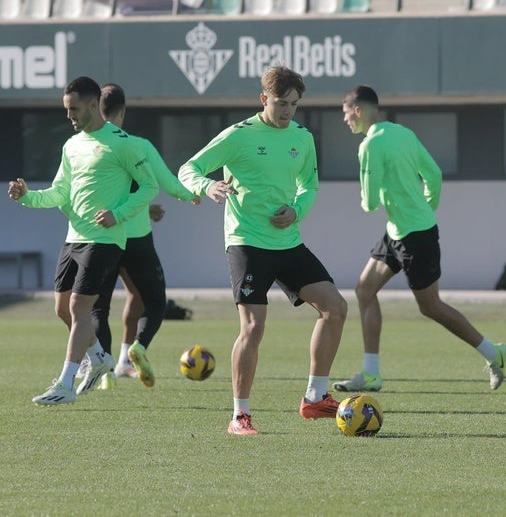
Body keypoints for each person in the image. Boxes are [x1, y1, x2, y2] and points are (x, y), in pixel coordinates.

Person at [178, 66, 347, 436]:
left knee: (335, 308)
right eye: (280, 103)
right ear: (263, 99)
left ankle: (315, 397)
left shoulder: (302, 138)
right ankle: (240, 416)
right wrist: (208, 188)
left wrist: (297, 210)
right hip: (246, 243)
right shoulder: (238, 136)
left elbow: (309, 186)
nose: (288, 111)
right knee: (253, 327)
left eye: (294, 104)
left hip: (288, 242)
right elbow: (188, 168)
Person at [335, 86, 506, 393]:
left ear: (359, 110)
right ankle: (372, 374)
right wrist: (427, 205)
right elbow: (434, 175)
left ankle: (493, 353)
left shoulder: (369, 146)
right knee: (364, 290)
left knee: (431, 307)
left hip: (415, 237)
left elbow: (370, 203)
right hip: (399, 231)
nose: (345, 120)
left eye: (346, 113)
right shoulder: (403, 133)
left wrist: (369, 199)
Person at [7, 76, 158, 405]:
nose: (69, 115)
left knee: (79, 307)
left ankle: (65, 385)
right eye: (66, 109)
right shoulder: (72, 145)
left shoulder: (122, 143)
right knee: (62, 308)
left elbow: (149, 187)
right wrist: (27, 197)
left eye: (73, 108)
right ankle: (100, 356)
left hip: (105, 239)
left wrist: (118, 214)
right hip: (74, 237)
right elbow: (60, 192)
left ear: (93, 105)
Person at [87, 83, 200, 390]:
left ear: (96, 108)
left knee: (99, 307)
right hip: (137, 238)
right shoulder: (138, 145)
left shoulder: (87, 144)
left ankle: (110, 367)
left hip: (103, 237)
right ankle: (137, 347)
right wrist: (193, 193)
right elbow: (167, 182)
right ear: (123, 111)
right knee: (153, 299)